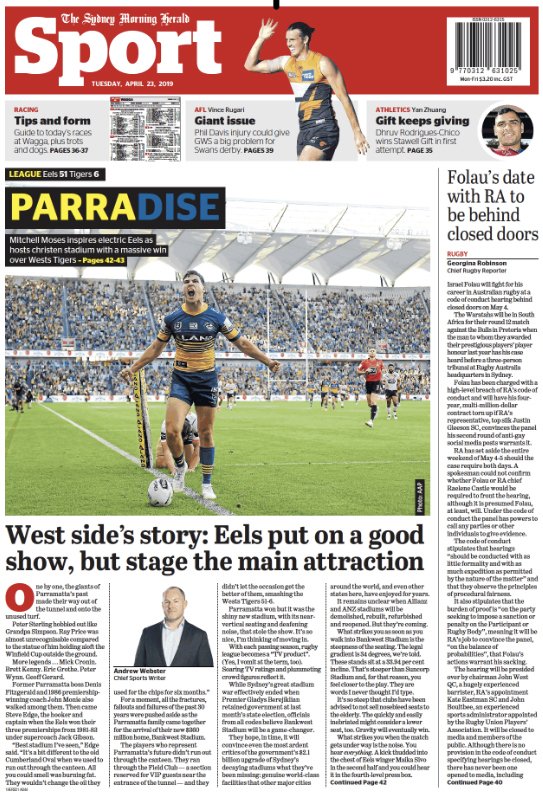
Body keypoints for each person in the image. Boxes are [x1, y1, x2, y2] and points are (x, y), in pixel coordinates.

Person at [120, 270, 280, 500]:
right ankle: (180, 468)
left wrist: (267, 361)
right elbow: (156, 348)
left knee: (205, 432)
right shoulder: (172, 319)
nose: (190, 285)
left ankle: (206, 483)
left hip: (206, 380)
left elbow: (242, 343)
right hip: (182, 379)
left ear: (203, 289)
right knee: (173, 431)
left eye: (195, 281)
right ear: (183, 290)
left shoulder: (216, 318)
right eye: (186, 282)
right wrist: (133, 367)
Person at [244, 19, 369, 161]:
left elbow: (344, 98)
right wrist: (261, 39)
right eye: (286, 40)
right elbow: (250, 65)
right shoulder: (286, 62)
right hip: (304, 130)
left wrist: (357, 132)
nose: (288, 44)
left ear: (305, 39)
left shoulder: (322, 63)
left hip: (324, 128)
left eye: (292, 40)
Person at [134, 586, 213, 667]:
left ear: (185, 604)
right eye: (167, 602)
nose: (171, 606)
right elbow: (137, 671)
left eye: (176, 601)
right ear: (162, 605)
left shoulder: (199, 636)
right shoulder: (148, 633)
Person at [356, 347, 384, 428]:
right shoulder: (364, 362)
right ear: (368, 353)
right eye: (370, 351)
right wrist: (365, 372)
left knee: (373, 401)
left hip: (377, 383)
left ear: (375, 353)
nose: (372, 352)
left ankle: (371, 421)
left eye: (373, 351)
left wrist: (382, 376)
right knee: (369, 403)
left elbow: (383, 370)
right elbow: (357, 371)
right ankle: (375, 408)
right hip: (368, 383)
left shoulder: (380, 362)